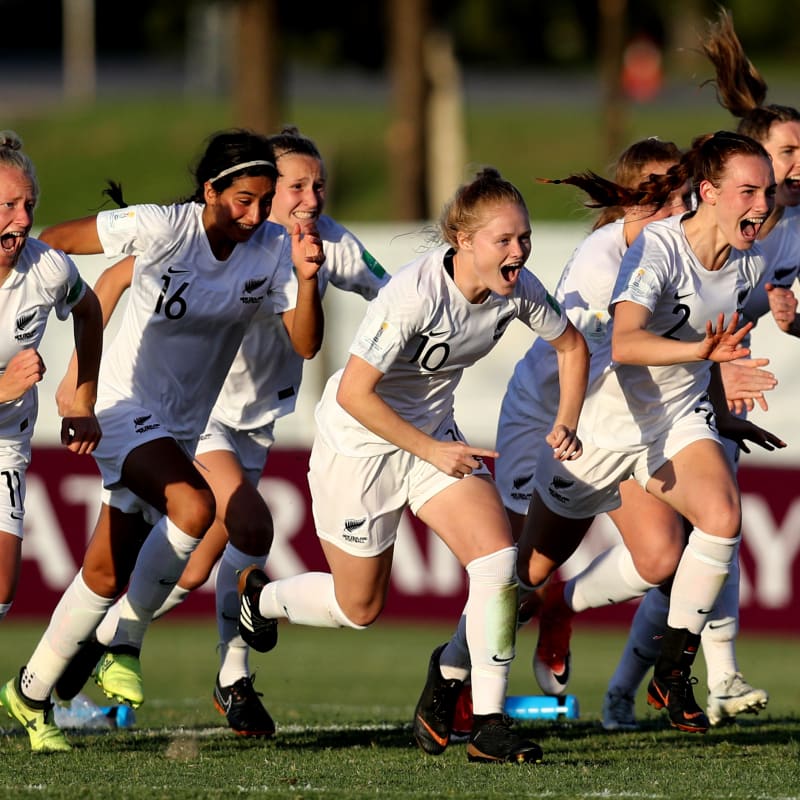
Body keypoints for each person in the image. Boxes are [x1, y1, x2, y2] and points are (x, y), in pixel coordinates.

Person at [235, 167, 590, 763]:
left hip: (432, 439)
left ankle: (488, 721)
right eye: (504, 240)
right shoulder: (413, 295)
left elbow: (572, 345)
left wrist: (569, 421)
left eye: (523, 238)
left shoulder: (520, 287)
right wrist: (430, 449)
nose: (518, 252)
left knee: (499, 561)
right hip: (360, 446)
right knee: (360, 609)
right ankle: (262, 598)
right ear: (464, 241)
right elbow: (353, 393)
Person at [52, 127, 390, 738]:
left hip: (255, 424)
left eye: (319, 185)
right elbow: (111, 280)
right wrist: (79, 381)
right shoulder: (210, 234)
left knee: (191, 569)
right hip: (196, 415)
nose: (309, 198)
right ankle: (228, 676)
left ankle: (90, 653)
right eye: (296, 186)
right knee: (251, 523)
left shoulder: (325, 242)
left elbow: (392, 298)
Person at [0, 128, 325, 753]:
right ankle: (124, 642)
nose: (255, 215)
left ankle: (30, 691)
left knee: (103, 571)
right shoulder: (161, 228)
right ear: (210, 191)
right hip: (123, 405)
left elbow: (305, 343)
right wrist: (79, 388)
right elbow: (59, 245)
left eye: (264, 201)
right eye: (242, 201)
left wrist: (308, 280)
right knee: (197, 508)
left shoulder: (272, 250)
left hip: (182, 425)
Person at [512, 131, 779, 735]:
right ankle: (453, 674)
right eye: (749, 191)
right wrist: (702, 352)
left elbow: (707, 351)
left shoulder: (747, 260)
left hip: (676, 420)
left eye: (766, 191)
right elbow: (628, 345)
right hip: (604, 427)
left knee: (720, 517)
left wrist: (721, 406)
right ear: (707, 193)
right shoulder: (655, 248)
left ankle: (674, 671)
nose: (762, 204)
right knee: (524, 577)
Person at [601, 7, 800, 731]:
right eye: (784, 154)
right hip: (620, 407)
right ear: (725, 180)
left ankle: (689, 674)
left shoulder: (767, 242)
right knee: (631, 564)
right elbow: (628, 339)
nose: (793, 169)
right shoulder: (665, 243)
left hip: (691, 404)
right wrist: (712, 362)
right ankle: (555, 625)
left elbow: (748, 318)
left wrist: (730, 380)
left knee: (715, 532)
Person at [0, 131, 103, 627]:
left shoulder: (48, 268)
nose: (22, 219)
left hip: (5, 443)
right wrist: (3, 389)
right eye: (8, 205)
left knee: (2, 583)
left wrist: (81, 398)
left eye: (28, 205)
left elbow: (90, 311)